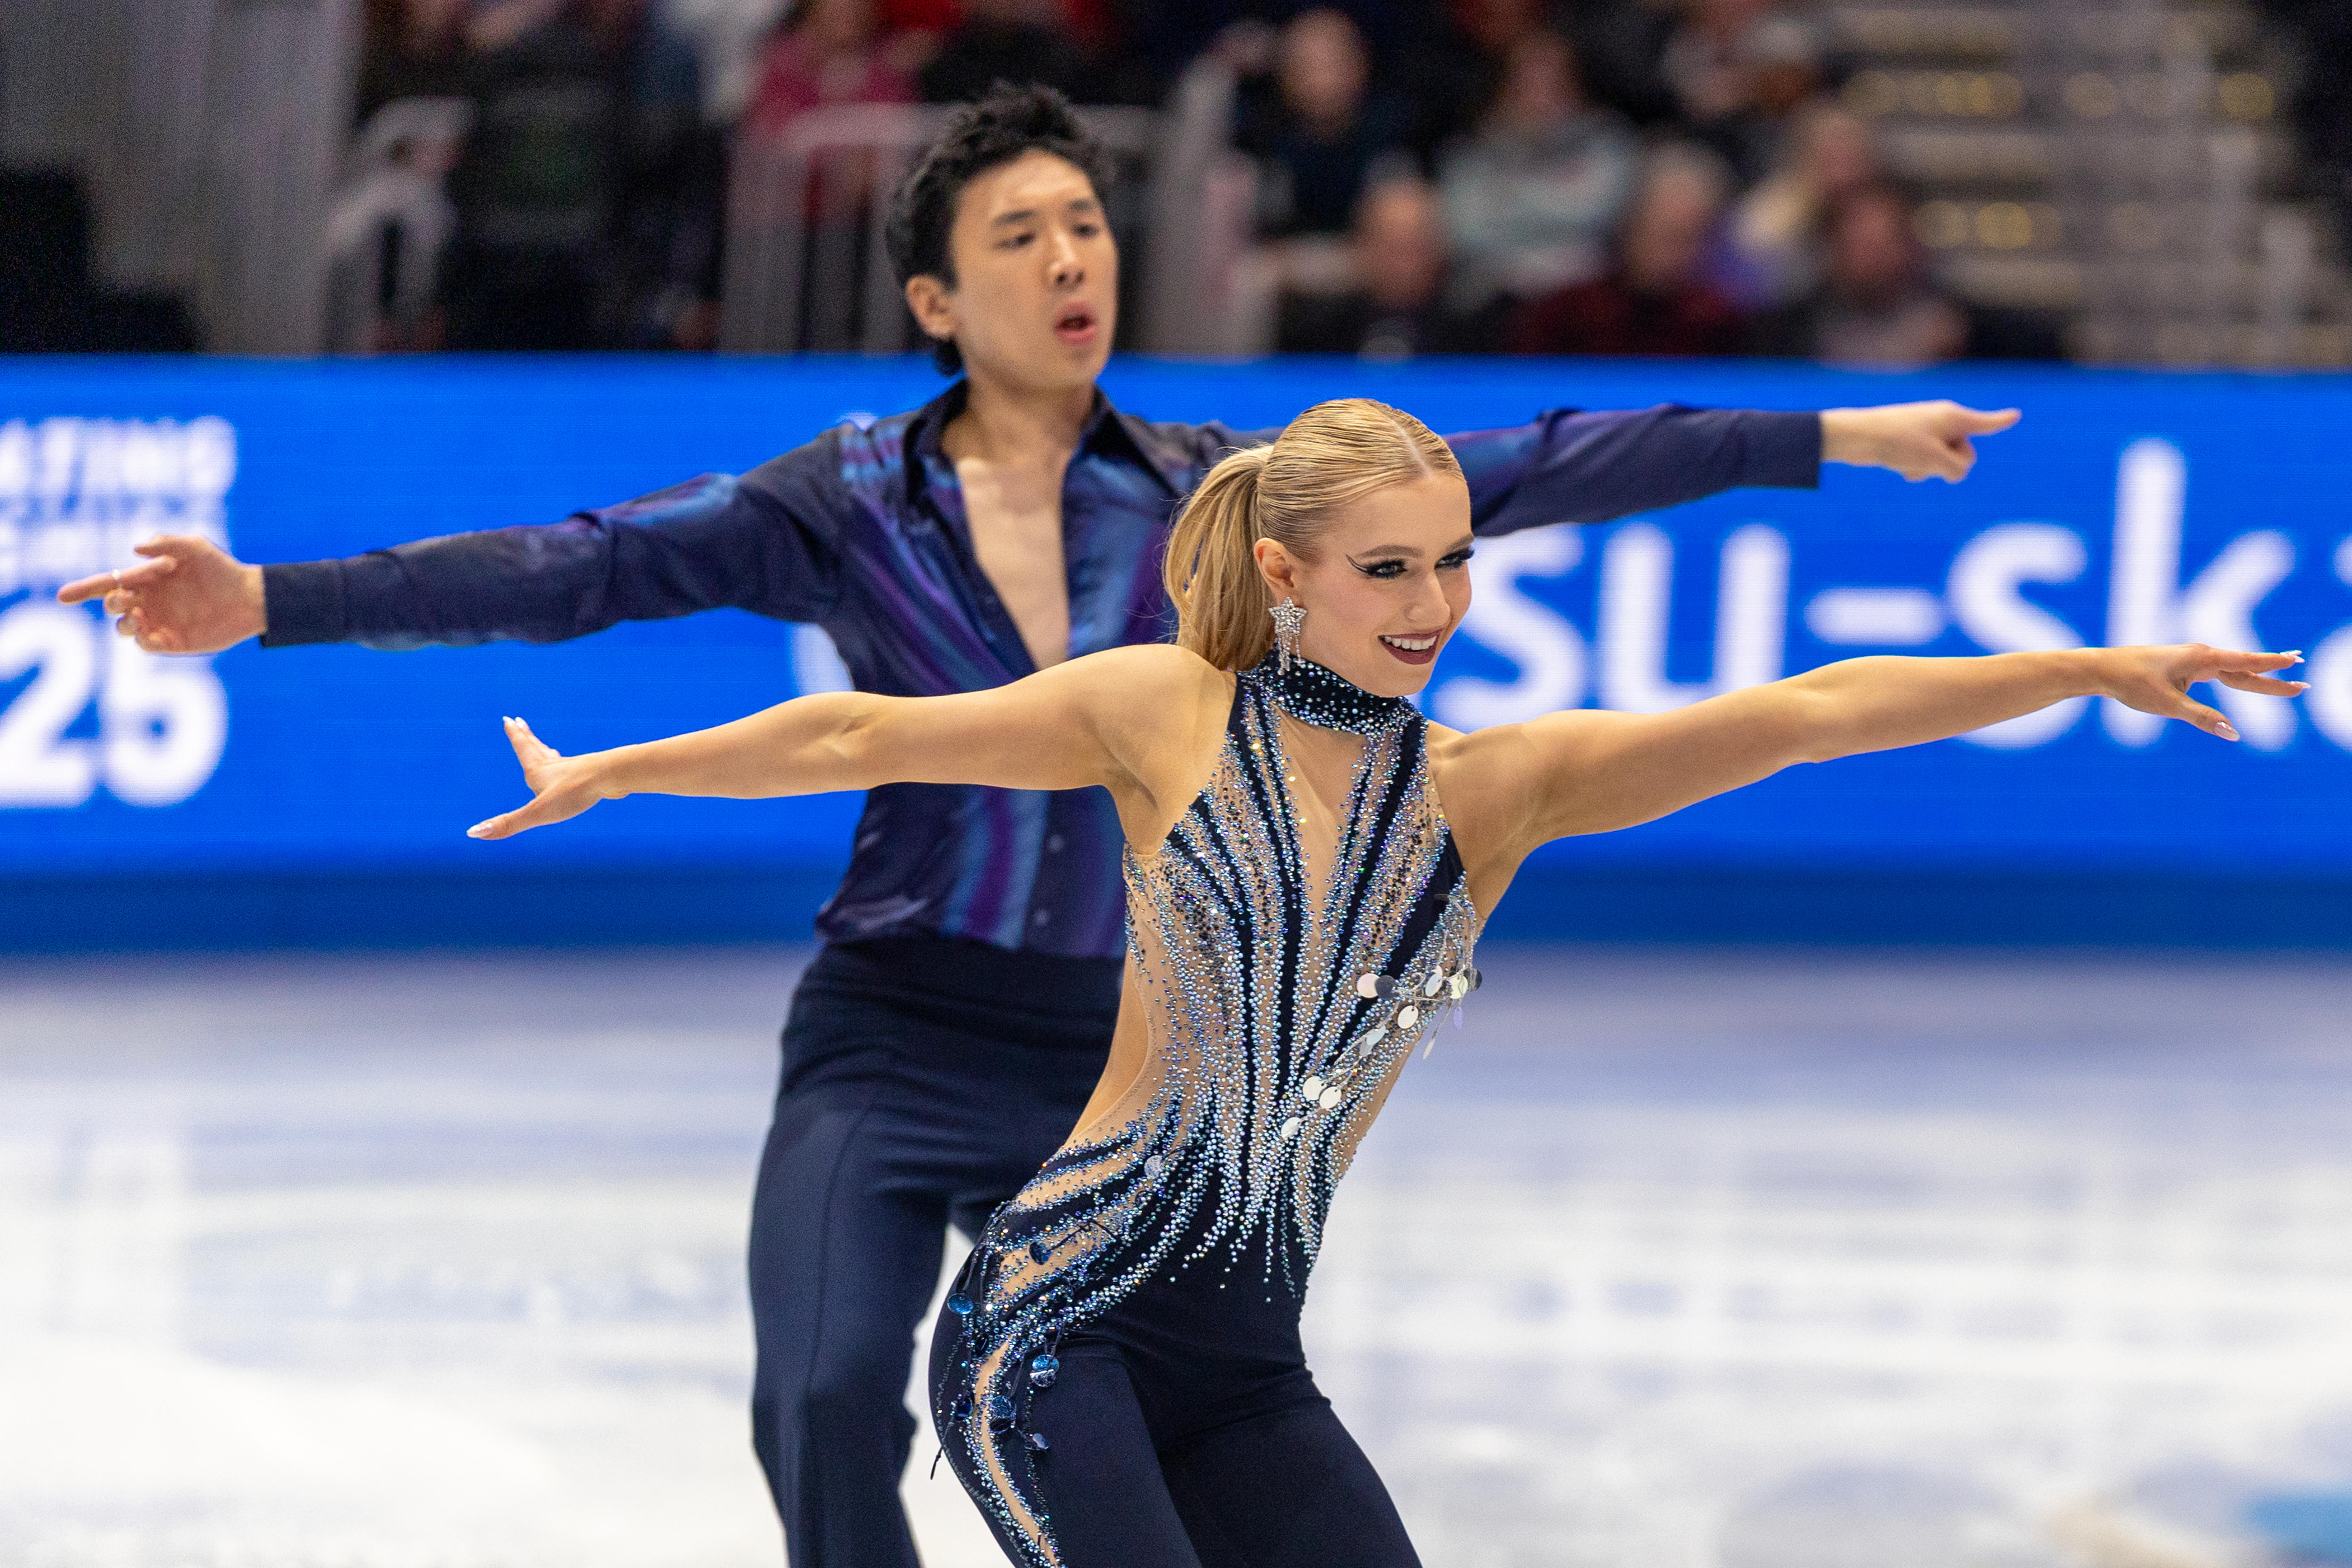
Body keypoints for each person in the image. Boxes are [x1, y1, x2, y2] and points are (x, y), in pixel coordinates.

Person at [61, 84, 2022, 1568]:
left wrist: (1824, 433)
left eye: (1086, 225)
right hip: (897, 1025)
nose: (1073, 260)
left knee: (1143, 1411)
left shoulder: (1203, 491)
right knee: (825, 1397)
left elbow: (1522, 466)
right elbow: (571, 568)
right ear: (934, 294)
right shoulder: (832, 497)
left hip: (1110, 1061)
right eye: (1021, 238)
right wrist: (274, 599)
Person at [461, 395, 2304, 1567]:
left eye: (1452, 563)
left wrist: (2086, 661)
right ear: (1285, 573)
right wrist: (620, 770)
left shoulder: (1491, 792)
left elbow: (1806, 712)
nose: (1430, 603)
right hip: (1048, 1330)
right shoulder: (1159, 712)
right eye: (1386, 569)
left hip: (1244, 1361)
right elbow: (866, 725)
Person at [1436, 27, 1639, 312]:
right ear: (1504, 90)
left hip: (1583, 301)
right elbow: (1466, 231)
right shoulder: (1471, 152)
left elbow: (1602, 215)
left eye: (1553, 86)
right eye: (1527, 85)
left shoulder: (1607, 143)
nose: (1540, 98)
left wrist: (1509, 199)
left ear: (1575, 88)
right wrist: (1558, 197)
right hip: (1495, 302)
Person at [1508, 141, 1748, 358]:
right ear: (1630, 223)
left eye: (1690, 237)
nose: (1674, 252)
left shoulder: (1718, 322)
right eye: (1664, 232)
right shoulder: (1568, 313)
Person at [1273, 177, 1507, 358]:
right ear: (1362, 245)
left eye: (1415, 245)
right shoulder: (1318, 335)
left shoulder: (1474, 336)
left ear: (1439, 249)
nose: (1404, 264)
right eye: (1391, 246)